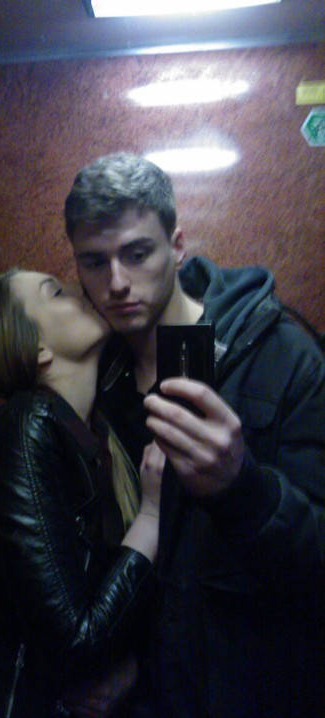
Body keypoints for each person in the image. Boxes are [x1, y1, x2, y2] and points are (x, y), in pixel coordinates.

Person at [63, 152, 325, 718]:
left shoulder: (280, 355)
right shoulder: (94, 380)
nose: (116, 283)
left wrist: (243, 488)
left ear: (177, 245)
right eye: (95, 262)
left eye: (138, 254)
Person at [0, 267, 165, 718]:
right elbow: (75, 643)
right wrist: (151, 514)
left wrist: (132, 667)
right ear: (39, 349)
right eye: (58, 293)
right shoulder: (27, 427)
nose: (83, 292)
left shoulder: (98, 436)